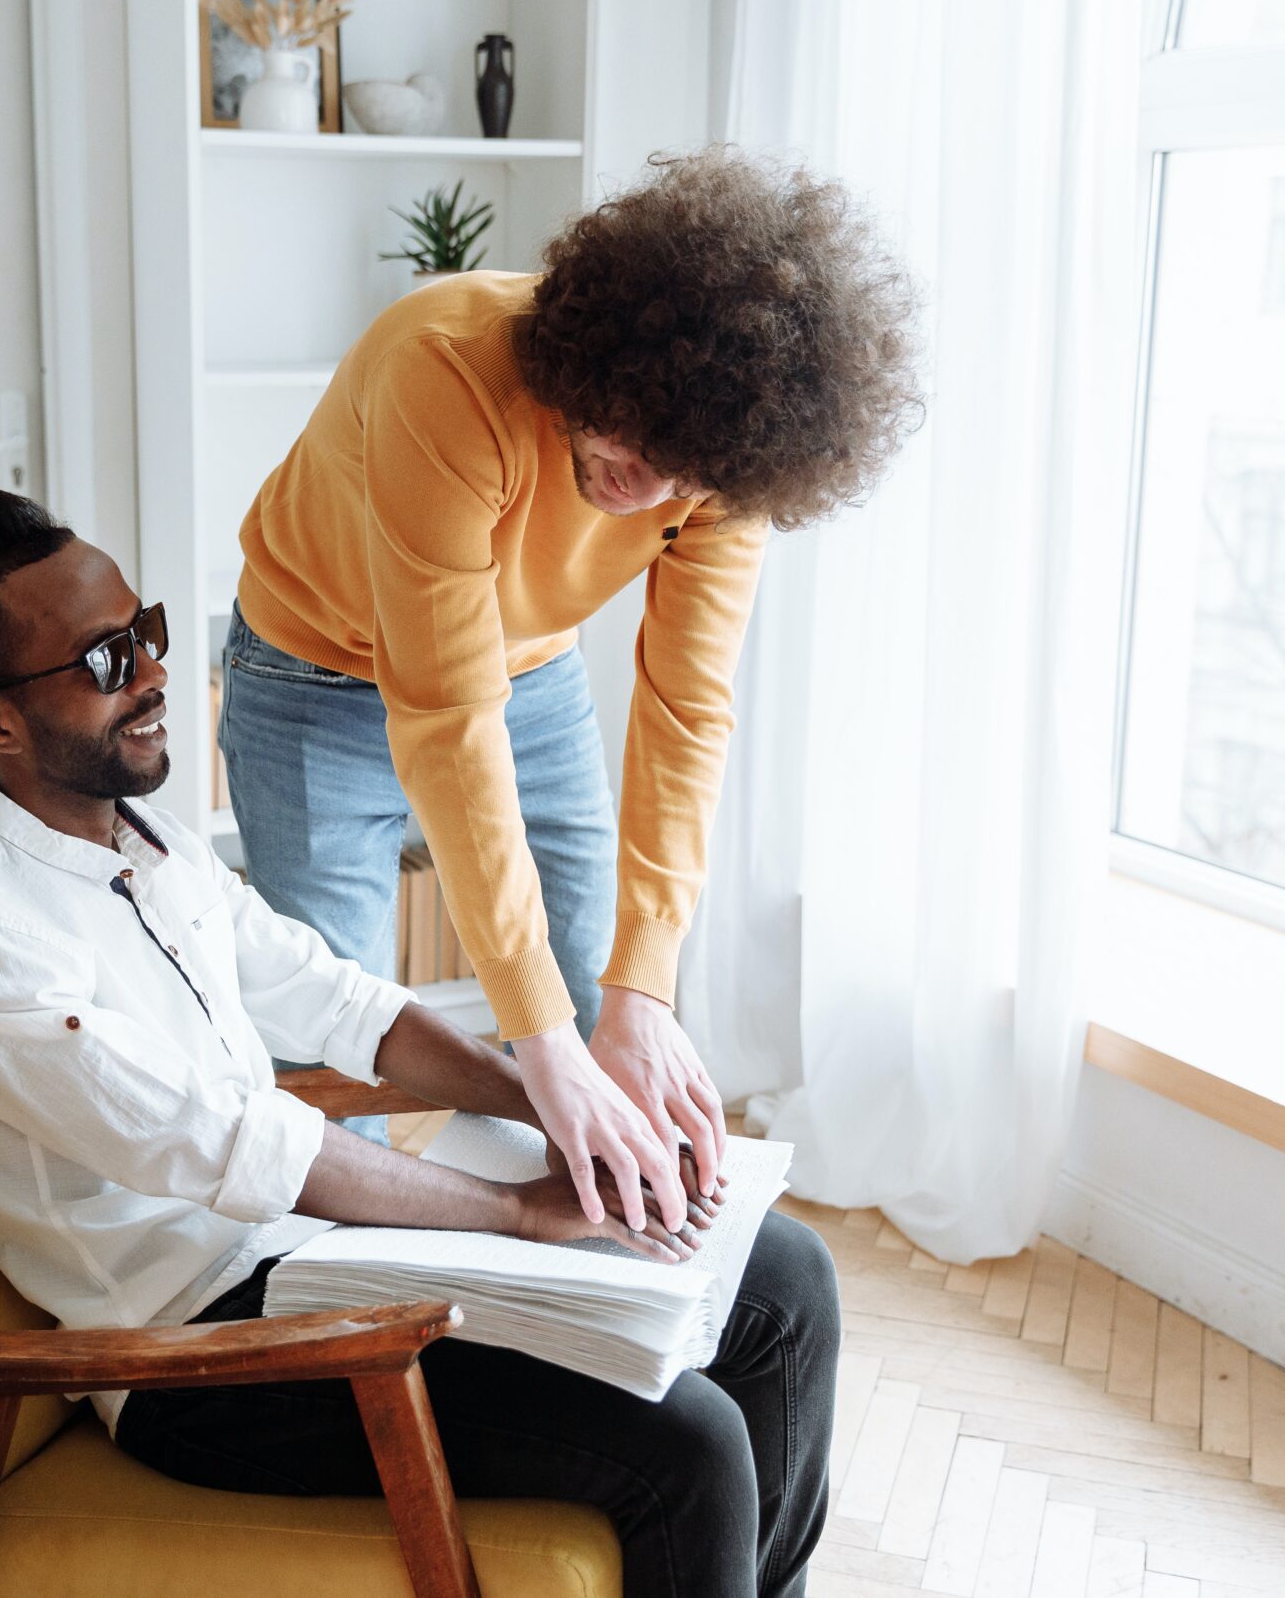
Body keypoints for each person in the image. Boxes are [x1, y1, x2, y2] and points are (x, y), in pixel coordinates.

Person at [0, 488, 842, 1598]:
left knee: (785, 1280)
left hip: (315, 1263)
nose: (152, 675)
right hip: (202, 1354)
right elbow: (231, 1143)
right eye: (102, 664)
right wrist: (518, 1212)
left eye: (147, 633)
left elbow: (337, 1003)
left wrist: (560, 1106)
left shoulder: (148, 838)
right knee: (687, 1444)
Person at [222, 146, 921, 1230]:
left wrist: (639, 990)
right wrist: (539, 1039)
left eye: (692, 475)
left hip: (530, 670)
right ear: (596, 359)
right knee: (331, 1035)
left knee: (606, 1007)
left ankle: (583, 1307)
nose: (652, 492)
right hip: (311, 672)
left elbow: (687, 709)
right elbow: (445, 715)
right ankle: (347, 1324)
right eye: (638, 440)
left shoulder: (716, 464)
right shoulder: (445, 366)